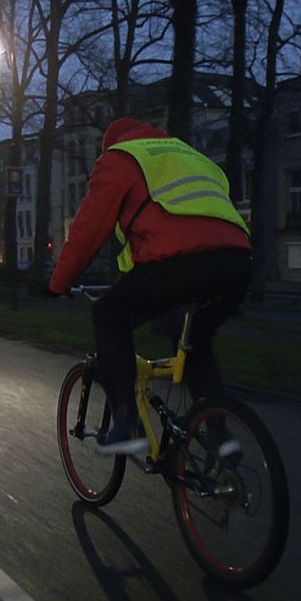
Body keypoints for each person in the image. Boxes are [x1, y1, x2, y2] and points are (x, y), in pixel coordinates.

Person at [48, 117, 252, 456]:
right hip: (238, 262)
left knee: (109, 316)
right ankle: (220, 436)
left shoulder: (122, 158)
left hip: (180, 264)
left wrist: (57, 284)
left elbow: (88, 229)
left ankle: (127, 423)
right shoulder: (189, 156)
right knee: (193, 341)